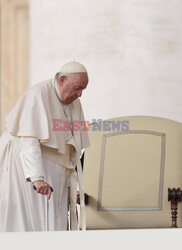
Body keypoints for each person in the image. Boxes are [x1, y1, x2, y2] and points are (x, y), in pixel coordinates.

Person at [0, 61, 90, 232]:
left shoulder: (73, 101)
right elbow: (29, 140)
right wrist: (37, 177)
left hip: (54, 171)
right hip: (26, 168)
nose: (80, 95)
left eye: (82, 90)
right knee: (28, 221)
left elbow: (73, 146)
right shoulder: (38, 95)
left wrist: (72, 186)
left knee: (53, 222)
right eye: (77, 88)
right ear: (62, 80)